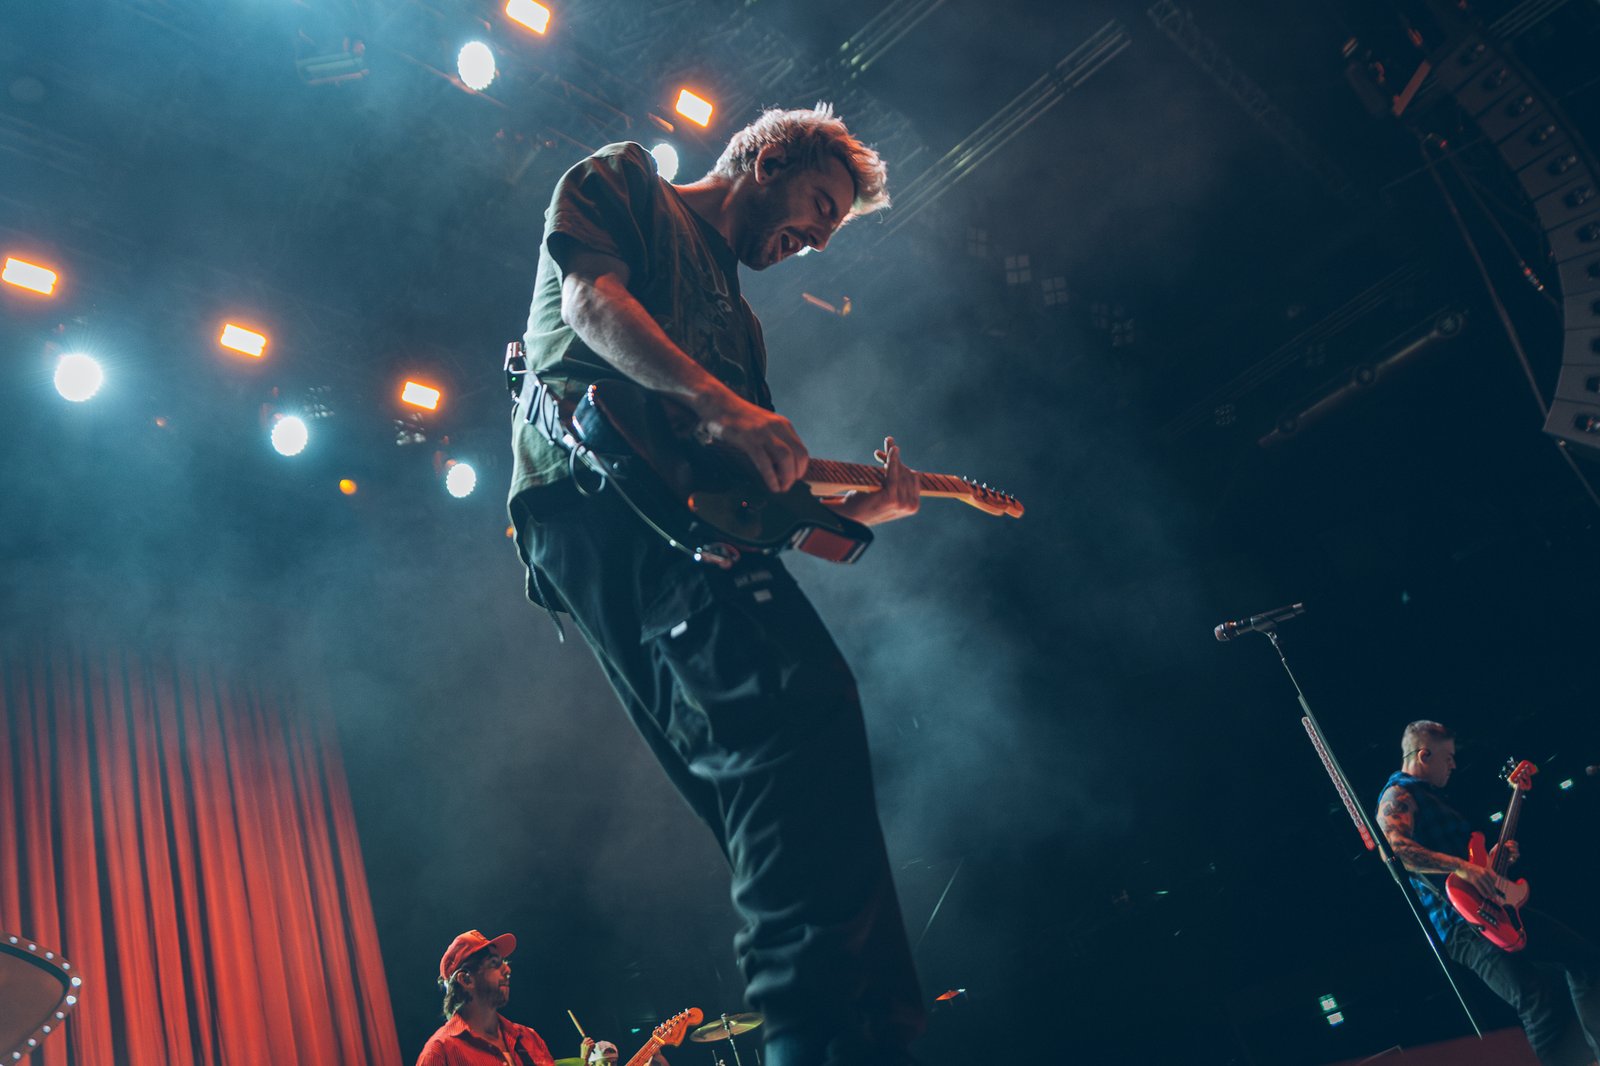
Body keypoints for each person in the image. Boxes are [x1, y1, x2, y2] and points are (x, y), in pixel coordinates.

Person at [507, 105, 926, 1066]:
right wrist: (718, 403)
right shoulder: (627, 180)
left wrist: (861, 510)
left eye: (832, 228)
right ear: (768, 159)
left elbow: (754, 505)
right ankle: (817, 1034)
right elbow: (590, 305)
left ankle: (864, 1028)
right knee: (795, 716)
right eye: (820, 207)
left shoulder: (741, 323)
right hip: (597, 495)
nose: (819, 239)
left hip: (688, 528)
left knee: (787, 754)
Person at [1376, 721, 1600, 1065]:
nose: (1453, 765)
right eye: (1448, 757)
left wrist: (1493, 858)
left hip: (1494, 906)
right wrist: (1463, 867)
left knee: (1585, 960)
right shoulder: (1398, 795)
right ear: (1424, 755)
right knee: (1536, 999)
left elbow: (1468, 864)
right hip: (1461, 923)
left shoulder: (1434, 799)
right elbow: (1397, 851)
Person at [418, 929, 558, 1066]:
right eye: (494, 963)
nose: (507, 970)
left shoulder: (529, 1038)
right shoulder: (439, 1053)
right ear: (466, 980)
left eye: (504, 962)